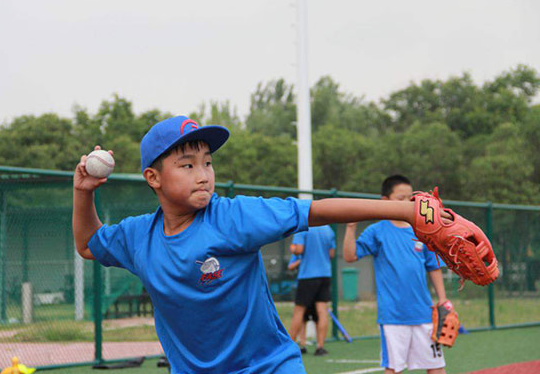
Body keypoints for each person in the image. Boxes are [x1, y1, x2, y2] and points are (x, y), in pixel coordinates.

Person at [73, 116, 452, 374]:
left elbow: (316, 210)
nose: (203, 175)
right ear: (153, 177)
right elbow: (89, 244)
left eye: (207, 162)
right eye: (187, 165)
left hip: (269, 366)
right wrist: (83, 193)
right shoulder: (140, 237)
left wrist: (402, 211)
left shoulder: (233, 217)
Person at [343, 175, 449, 374]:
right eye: (400, 198)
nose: (407, 203)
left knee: (436, 367)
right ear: (385, 201)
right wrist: (350, 227)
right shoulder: (377, 231)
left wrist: (442, 299)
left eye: (410, 198)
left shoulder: (422, 231)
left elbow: (433, 267)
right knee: (393, 369)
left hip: (424, 313)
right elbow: (350, 256)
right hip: (393, 316)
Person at [288, 225, 336, 356]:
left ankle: (289, 347)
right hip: (325, 274)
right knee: (322, 310)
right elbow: (331, 253)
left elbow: (299, 249)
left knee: (299, 311)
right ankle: (320, 347)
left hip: (307, 275)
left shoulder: (302, 228)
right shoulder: (328, 229)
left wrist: (293, 249)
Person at [286, 245, 319, 354]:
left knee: (316, 316)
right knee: (302, 318)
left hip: (315, 285)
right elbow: (290, 266)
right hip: (303, 284)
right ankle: (302, 344)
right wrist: (300, 261)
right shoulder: (298, 254)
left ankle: (319, 345)